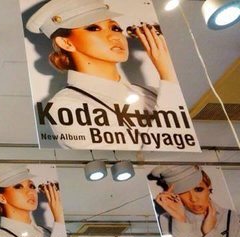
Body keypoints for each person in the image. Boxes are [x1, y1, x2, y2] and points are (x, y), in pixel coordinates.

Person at [25, 0, 186, 149]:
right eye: (94, 28)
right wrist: (168, 76)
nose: (114, 36)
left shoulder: (152, 92)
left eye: (115, 28)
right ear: (66, 43)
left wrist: (169, 77)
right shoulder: (64, 106)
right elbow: (144, 155)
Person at [0, 164, 65, 237]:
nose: (31, 192)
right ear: (1, 198)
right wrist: (59, 218)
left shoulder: (48, 232)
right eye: (19, 187)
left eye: (32, 186)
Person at [148, 165, 240, 237]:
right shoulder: (165, 219)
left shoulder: (229, 216)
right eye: (183, 192)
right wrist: (180, 220)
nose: (193, 199)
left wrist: (210, 233)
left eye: (198, 189)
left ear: (209, 187)